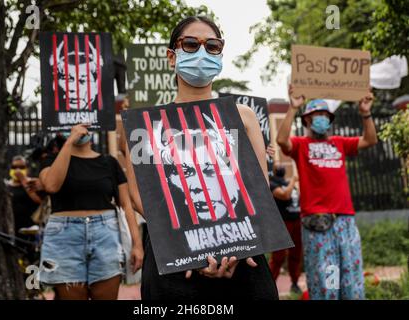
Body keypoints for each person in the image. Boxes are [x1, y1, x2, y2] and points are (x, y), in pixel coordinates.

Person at [125, 16, 279, 300]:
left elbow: (259, 187)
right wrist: (192, 246)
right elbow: (137, 195)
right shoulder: (147, 124)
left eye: (212, 46)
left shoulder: (243, 116)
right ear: (172, 57)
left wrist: (226, 247)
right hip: (173, 263)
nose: (202, 53)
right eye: (191, 44)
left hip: (241, 258)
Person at [276, 85, 378, 300]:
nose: (321, 119)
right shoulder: (301, 145)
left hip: (345, 221)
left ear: (330, 121)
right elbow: (281, 140)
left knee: (351, 274)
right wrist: (293, 107)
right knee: (327, 276)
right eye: (316, 116)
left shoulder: (340, 143)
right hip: (317, 223)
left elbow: (370, 140)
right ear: (308, 121)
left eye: (324, 115)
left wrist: (366, 113)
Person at [38, 125, 143, 300]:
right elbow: (51, 185)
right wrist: (70, 141)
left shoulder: (109, 163)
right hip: (65, 239)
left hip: (106, 236)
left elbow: (126, 205)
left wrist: (137, 244)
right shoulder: (51, 160)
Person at [268, 163, 302, 294]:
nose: (281, 167)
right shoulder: (272, 184)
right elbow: (285, 195)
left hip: (296, 222)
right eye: (278, 166)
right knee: (278, 257)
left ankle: (295, 283)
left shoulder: (287, 182)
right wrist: (293, 180)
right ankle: (271, 286)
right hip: (282, 223)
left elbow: (297, 198)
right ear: (274, 170)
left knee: (296, 254)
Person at [6, 155, 43, 233]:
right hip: (12, 226)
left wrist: (23, 180)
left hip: (29, 226)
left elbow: (38, 200)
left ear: (27, 169)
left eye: (21, 167)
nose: (18, 170)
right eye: (14, 167)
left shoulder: (32, 183)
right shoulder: (7, 185)